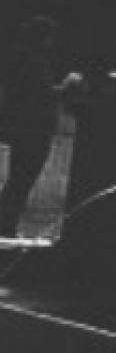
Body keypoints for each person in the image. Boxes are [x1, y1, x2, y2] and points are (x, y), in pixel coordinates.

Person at [1, 14, 59, 240]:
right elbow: (37, 95)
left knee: (18, 180)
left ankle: (6, 226)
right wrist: (63, 90)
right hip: (33, 129)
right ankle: (5, 228)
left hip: (25, 128)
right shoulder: (33, 62)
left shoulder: (23, 58)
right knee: (22, 180)